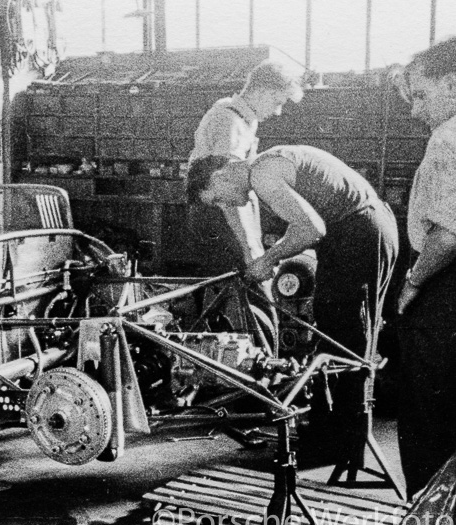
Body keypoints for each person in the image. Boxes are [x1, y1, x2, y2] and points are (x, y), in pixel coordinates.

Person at [187, 145, 399, 458]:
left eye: (217, 198)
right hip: (360, 229)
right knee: (338, 332)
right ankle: (336, 436)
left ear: (220, 175)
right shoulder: (268, 164)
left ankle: (338, 443)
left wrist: (269, 257)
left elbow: (312, 228)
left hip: (360, 231)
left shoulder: (263, 175)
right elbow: (306, 224)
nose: (224, 205)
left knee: (343, 337)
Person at [395, 36, 456, 499]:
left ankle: (429, 521)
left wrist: (413, 284)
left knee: (428, 414)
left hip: (446, 285)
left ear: (452, 85)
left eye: (421, 94)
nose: (414, 109)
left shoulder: (448, 135)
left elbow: (449, 231)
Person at [189, 60, 304, 270]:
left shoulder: (243, 117)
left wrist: (256, 242)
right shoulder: (230, 122)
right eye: (277, 102)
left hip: (224, 209)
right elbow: (228, 192)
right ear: (261, 91)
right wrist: (249, 248)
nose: (278, 111)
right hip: (220, 213)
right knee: (243, 278)